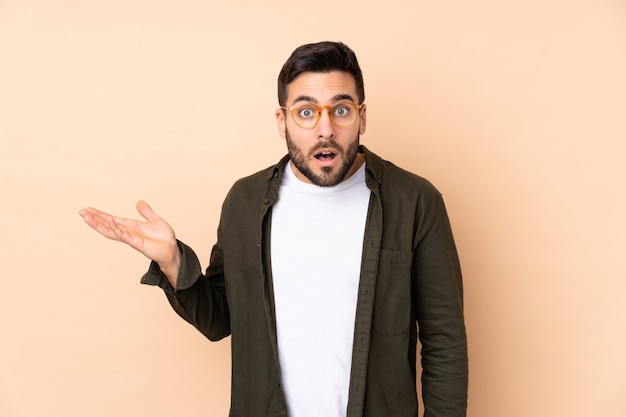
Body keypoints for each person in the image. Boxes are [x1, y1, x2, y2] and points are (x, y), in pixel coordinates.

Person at [79, 41, 468, 417]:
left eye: (341, 111)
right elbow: (220, 321)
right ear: (282, 120)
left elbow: (444, 341)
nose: (325, 129)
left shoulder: (415, 202)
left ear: (362, 117)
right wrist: (174, 261)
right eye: (305, 112)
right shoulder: (245, 202)